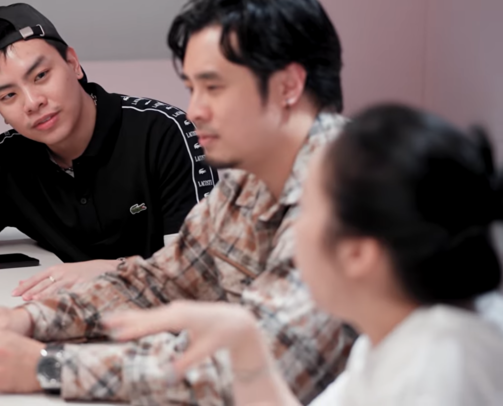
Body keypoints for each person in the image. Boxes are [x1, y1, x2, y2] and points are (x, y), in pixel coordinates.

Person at [0, 0, 355, 404]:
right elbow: (166, 280)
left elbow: (260, 371)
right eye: (192, 89)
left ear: (287, 87)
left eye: (213, 87)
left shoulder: (347, 188)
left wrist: (46, 367)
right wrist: (30, 320)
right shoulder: (254, 178)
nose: (195, 110)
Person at [105, 104, 503, 405]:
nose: (292, 228)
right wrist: (247, 348)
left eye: (305, 208)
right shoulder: (393, 337)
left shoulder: (438, 371)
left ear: (358, 253)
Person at [0, 3, 216, 300]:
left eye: (41, 76)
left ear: (73, 63)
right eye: (8, 96)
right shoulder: (12, 160)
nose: (32, 103)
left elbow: (202, 274)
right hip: (71, 324)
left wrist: (107, 271)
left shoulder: (165, 133)